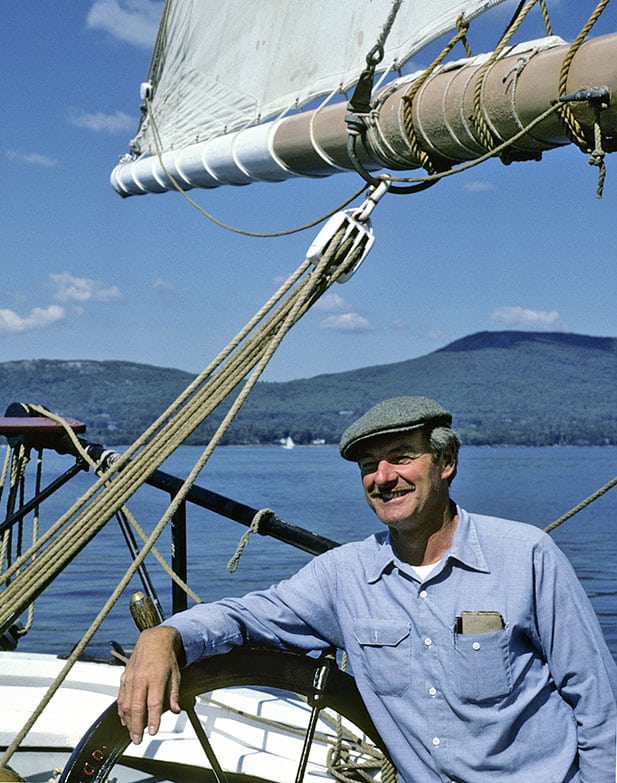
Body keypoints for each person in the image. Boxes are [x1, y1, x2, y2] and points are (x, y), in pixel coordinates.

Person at [118, 395, 617, 782]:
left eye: (400, 458)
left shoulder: (526, 556)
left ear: (446, 462)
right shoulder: (343, 578)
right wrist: (166, 637)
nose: (383, 478)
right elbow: (249, 615)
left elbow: (600, 707)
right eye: (367, 467)